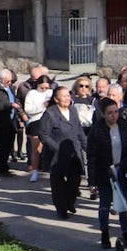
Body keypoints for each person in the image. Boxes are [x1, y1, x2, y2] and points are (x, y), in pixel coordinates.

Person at [86, 97, 127, 248]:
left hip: (122, 172)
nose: (114, 116)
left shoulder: (123, 124)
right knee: (104, 206)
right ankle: (104, 233)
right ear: (103, 114)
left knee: (122, 205)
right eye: (110, 113)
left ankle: (126, 234)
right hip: (104, 173)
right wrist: (92, 181)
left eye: (116, 112)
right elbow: (92, 156)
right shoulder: (97, 130)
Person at [38, 86, 86, 219]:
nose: (67, 98)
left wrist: (87, 146)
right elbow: (43, 134)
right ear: (56, 99)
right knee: (58, 183)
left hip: (73, 152)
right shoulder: (50, 114)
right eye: (63, 96)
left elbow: (79, 131)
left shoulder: (72, 110)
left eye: (68, 96)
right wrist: (56, 147)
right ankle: (61, 208)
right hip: (57, 155)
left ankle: (70, 202)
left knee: (75, 180)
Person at [23, 75, 53, 182]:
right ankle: (35, 170)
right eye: (42, 87)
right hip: (36, 121)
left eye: (46, 87)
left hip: (50, 120)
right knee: (36, 148)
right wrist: (42, 106)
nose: (44, 90)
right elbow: (28, 109)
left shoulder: (51, 93)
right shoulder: (32, 94)